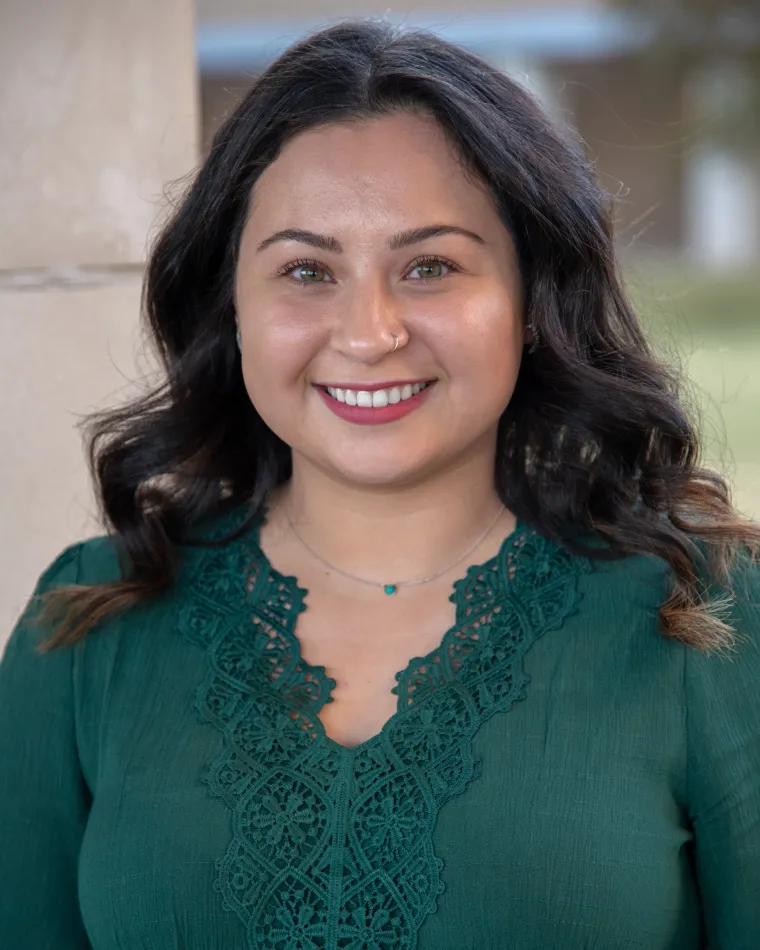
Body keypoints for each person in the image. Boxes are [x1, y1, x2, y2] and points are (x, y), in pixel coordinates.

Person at [1, 18, 759, 950]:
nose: (369, 330)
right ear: (231, 303)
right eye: (306, 269)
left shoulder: (704, 615)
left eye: (430, 266)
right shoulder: (86, 629)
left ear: (531, 301)